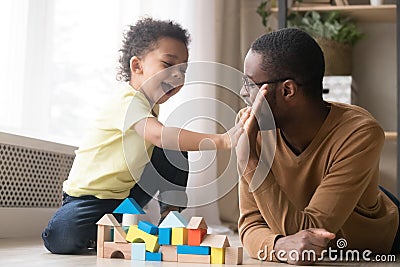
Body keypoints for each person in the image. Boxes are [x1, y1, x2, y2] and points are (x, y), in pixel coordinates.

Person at [42, 18, 244, 254]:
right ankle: (91, 235)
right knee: (61, 238)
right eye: (168, 64)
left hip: (125, 197)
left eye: (183, 70)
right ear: (137, 66)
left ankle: (170, 216)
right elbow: (160, 137)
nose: (177, 75)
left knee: (174, 147)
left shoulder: (152, 108)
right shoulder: (127, 102)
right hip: (88, 199)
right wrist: (222, 140)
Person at [236, 28, 400, 265]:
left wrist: (250, 162)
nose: (243, 93)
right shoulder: (252, 127)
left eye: (250, 84)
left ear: (287, 90)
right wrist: (278, 245)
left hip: (371, 243)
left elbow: (311, 232)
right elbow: (250, 225)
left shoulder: (360, 132)